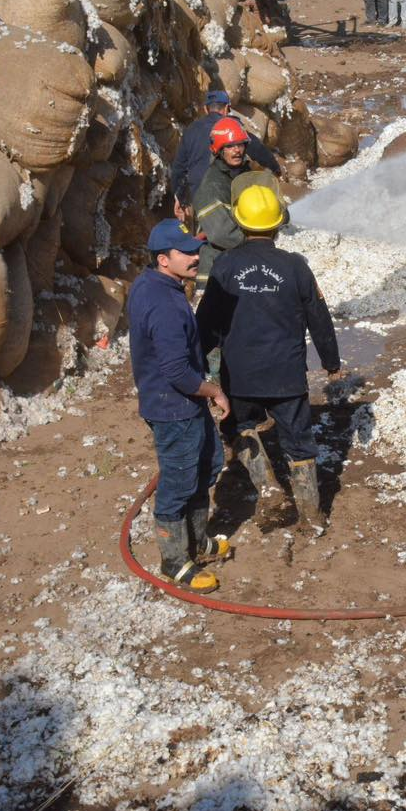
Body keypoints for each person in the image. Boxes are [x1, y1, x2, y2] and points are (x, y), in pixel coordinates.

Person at [197, 181, 342, 536]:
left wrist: (197, 363)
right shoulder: (295, 267)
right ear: (278, 224)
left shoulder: (226, 266)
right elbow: (318, 316)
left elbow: (207, 321)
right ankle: (312, 515)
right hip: (287, 374)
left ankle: (268, 486)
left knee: (238, 426)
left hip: (241, 374)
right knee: (299, 440)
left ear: (239, 223)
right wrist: (331, 361)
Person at [128, 219, 233, 593]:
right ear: (162, 259)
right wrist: (213, 390)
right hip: (174, 406)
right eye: (186, 252)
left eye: (195, 249)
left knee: (211, 463)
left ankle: (198, 542)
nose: (195, 256)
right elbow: (175, 370)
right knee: (178, 483)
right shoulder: (164, 304)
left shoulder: (155, 285)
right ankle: (175, 562)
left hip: (179, 403)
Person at [172, 90, 281, 215]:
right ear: (227, 108)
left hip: (198, 197)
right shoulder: (232, 127)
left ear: (206, 109)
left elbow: (178, 168)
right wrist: (275, 169)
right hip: (226, 194)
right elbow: (258, 150)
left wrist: (179, 198)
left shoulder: (191, 130)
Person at [185, 117, 258, 286]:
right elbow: (221, 234)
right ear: (219, 150)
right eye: (230, 146)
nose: (237, 150)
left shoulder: (244, 174)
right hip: (217, 271)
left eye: (240, 145)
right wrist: (257, 242)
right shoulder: (211, 186)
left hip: (240, 262)